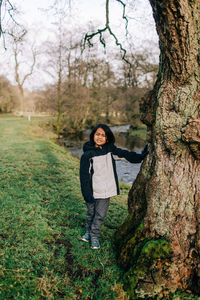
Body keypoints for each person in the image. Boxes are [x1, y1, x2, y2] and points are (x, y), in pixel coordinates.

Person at [79, 124, 148, 249]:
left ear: (107, 138)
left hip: (105, 191)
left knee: (99, 215)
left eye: (103, 135)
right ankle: (88, 232)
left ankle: (94, 236)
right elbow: (84, 177)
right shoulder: (88, 154)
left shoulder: (110, 150)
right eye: (97, 134)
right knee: (90, 213)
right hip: (92, 191)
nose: (100, 137)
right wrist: (87, 194)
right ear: (93, 135)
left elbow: (125, 154)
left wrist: (141, 157)